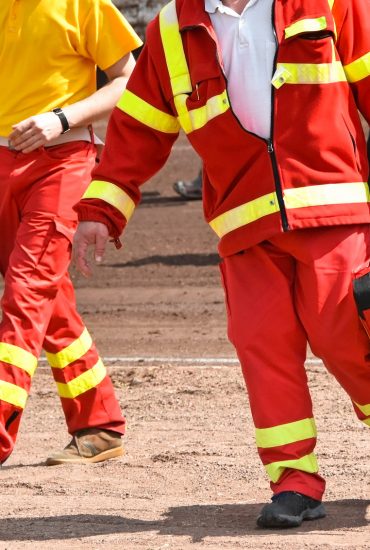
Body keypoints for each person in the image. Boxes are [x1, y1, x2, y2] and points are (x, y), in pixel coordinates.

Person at [73, 0, 370, 528]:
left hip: (333, 206)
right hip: (243, 224)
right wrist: (101, 209)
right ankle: (294, 482)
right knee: (262, 346)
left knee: (343, 332)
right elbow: (140, 126)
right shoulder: (171, 27)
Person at [0, 0, 142, 466]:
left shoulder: (85, 4)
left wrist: (60, 118)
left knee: (26, 293)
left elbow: (129, 81)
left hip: (62, 161)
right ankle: (99, 425)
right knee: (48, 301)